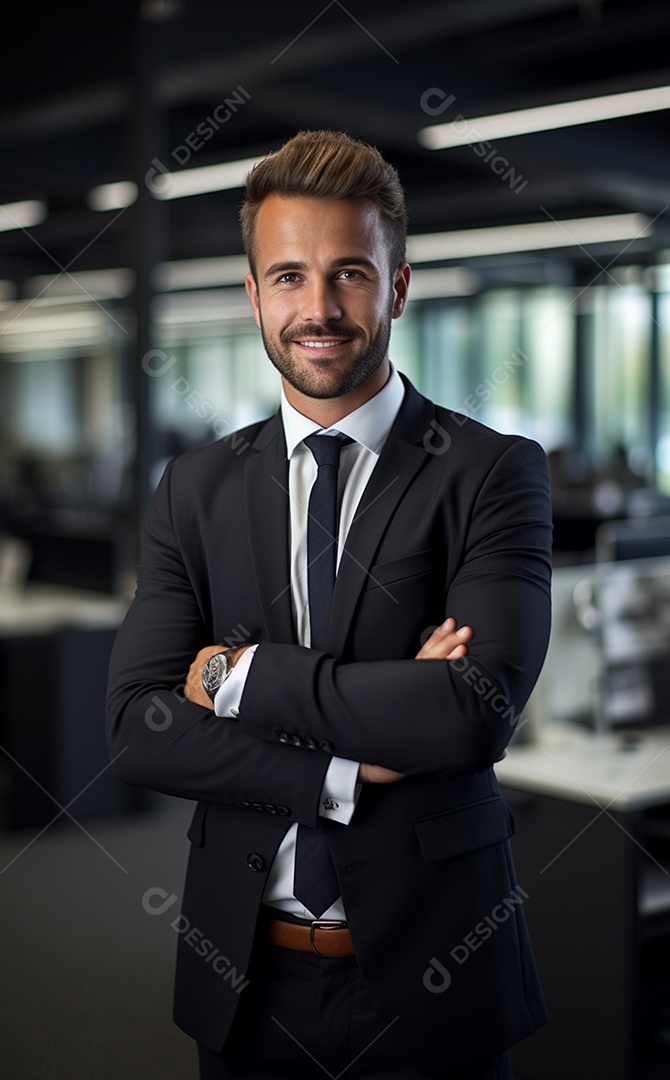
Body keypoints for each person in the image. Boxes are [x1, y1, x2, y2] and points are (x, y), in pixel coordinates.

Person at [106, 129, 552, 1079]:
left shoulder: (490, 474)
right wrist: (350, 768)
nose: (318, 308)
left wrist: (240, 676)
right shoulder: (194, 487)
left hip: (437, 972)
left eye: (349, 274)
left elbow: (474, 711)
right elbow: (139, 725)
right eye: (288, 276)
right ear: (252, 294)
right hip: (246, 977)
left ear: (395, 285)